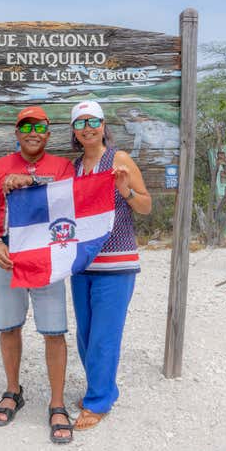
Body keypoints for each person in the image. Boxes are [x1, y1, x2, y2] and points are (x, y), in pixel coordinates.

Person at [0, 105, 76, 444]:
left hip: (47, 254)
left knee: (54, 331)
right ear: (17, 133)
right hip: (7, 252)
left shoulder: (62, 167)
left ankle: (57, 403)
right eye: (26, 127)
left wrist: (33, 181)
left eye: (39, 127)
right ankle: (12, 391)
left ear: (48, 133)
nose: (33, 133)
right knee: (9, 326)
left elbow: (71, 202)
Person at [68, 100, 152, 430]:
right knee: (86, 335)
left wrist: (125, 191)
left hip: (116, 263)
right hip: (82, 264)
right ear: (74, 130)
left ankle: (98, 402)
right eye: (80, 123)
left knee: (105, 335)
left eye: (93, 121)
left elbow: (146, 206)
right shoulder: (74, 167)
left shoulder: (119, 159)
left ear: (103, 125)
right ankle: (102, 388)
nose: (87, 128)